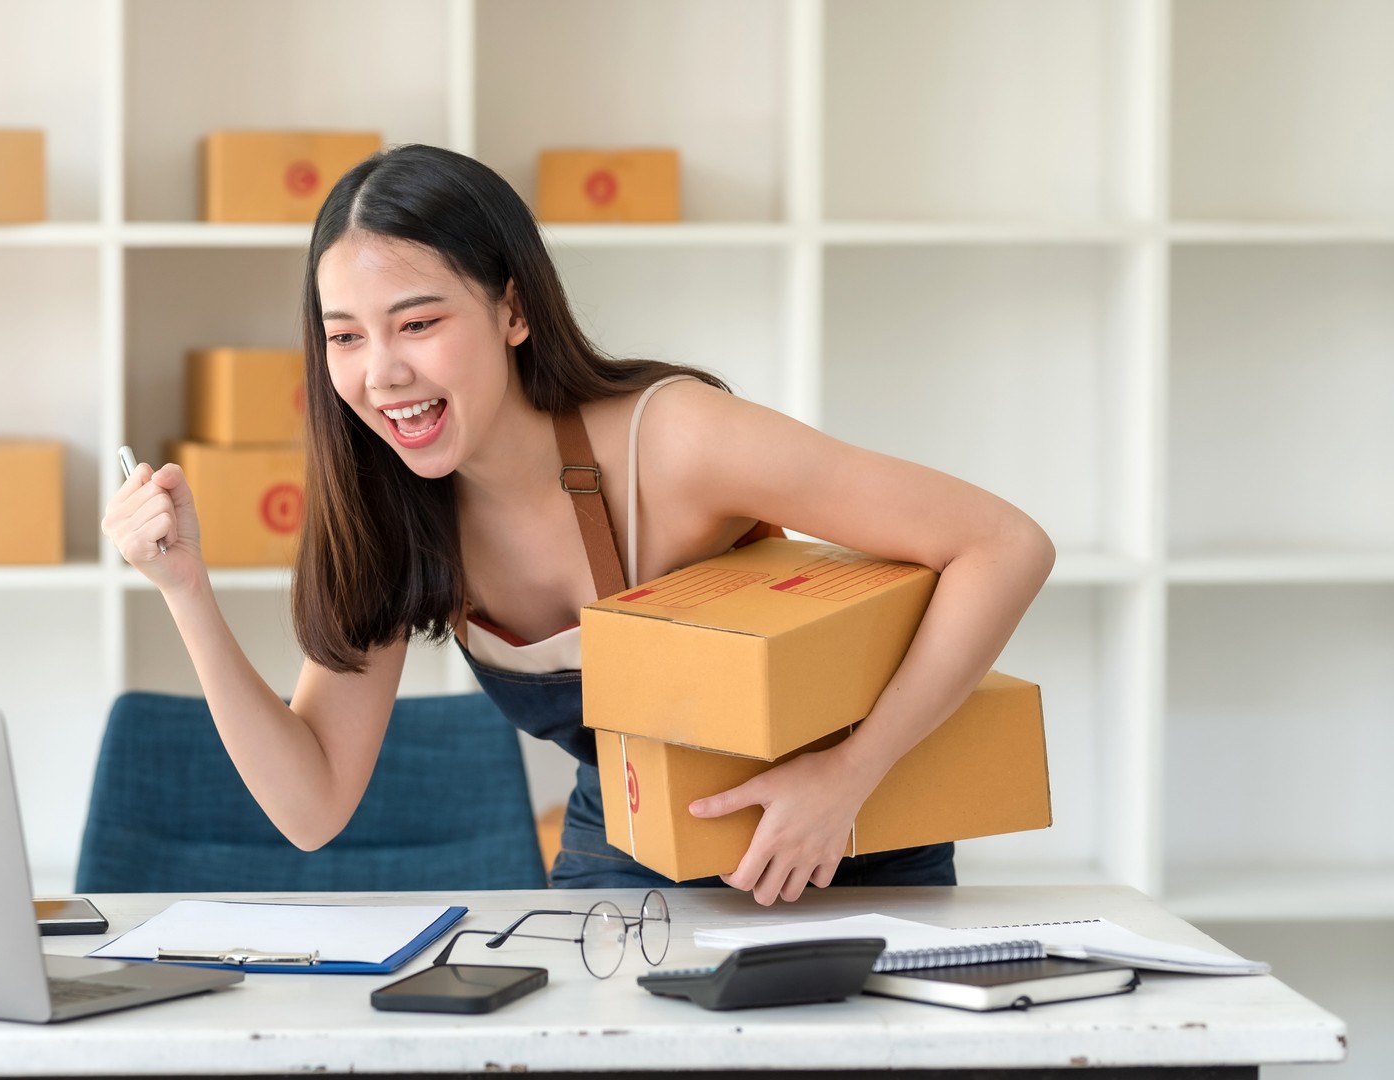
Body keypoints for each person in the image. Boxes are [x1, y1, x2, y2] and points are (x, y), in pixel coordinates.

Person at [102, 144, 1055, 904]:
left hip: (853, 837)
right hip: (631, 849)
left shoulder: (674, 441)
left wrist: (849, 772)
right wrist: (187, 591)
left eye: (418, 323)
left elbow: (1003, 544)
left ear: (512, 309)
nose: (379, 372)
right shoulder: (393, 513)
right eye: (344, 336)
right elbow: (312, 806)